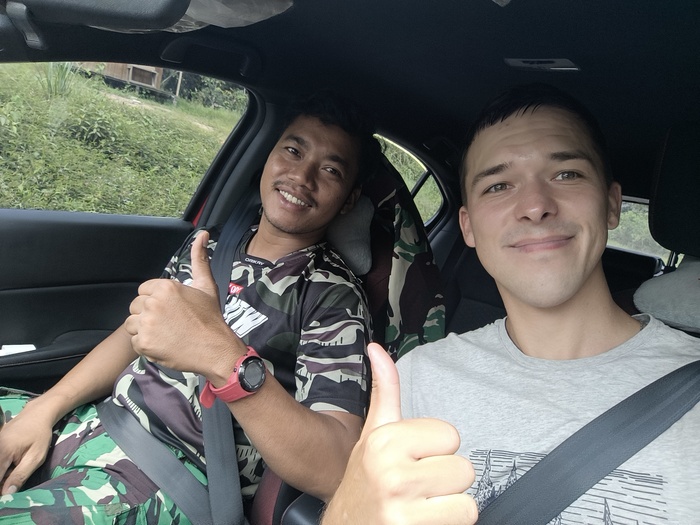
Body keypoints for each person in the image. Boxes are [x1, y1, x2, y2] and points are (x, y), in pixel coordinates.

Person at [323, 84, 700, 524]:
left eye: (566, 174)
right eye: (498, 185)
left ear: (611, 205)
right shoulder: (416, 379)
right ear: (468, 227)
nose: (535, 206)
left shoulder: (688, 386)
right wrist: (346, 514)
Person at [0, 91, 383, 522]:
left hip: (165, 479)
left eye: (330, 170)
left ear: (349, 199)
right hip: (97, 421)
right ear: (270, 156)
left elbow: (335, 466)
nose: (301, 175)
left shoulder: (333, 296)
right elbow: (133, 333)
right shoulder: (211, 244)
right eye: (293, 151)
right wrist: (45, 408)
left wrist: (222, 357)